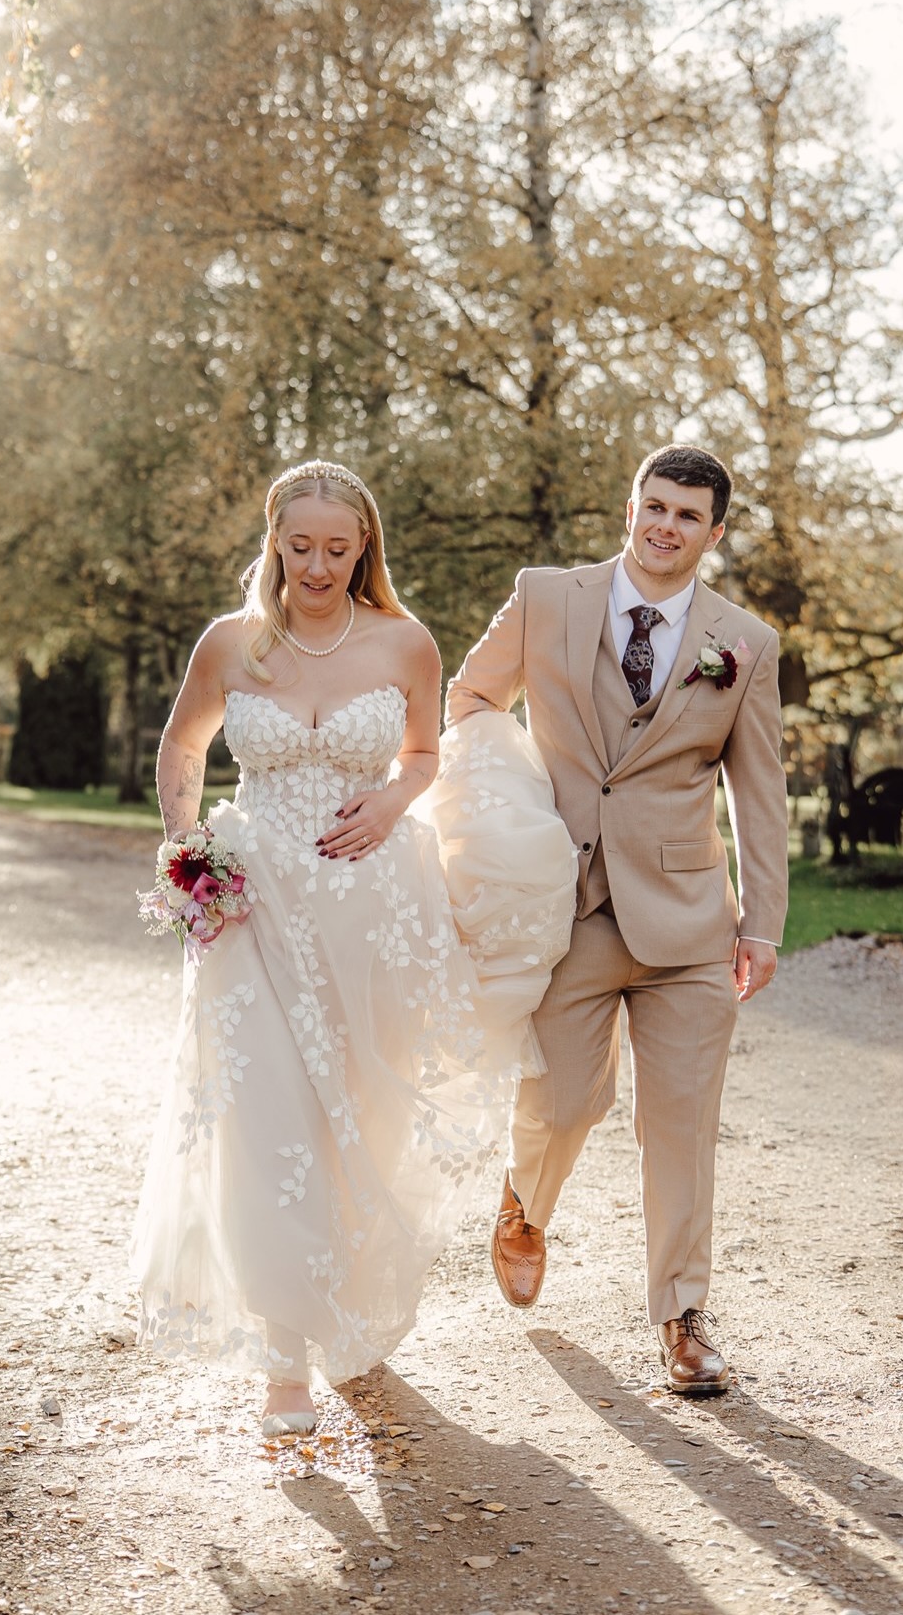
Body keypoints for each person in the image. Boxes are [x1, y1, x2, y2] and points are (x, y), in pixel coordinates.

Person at [130, 461, 575, 1436]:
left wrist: (393, 798)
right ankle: (282, 1352)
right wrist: (185, 841)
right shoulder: (231, 643)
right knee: (265, 1116)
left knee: (360, 1117)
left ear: (365, 546)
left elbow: (423, 751)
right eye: (301, 546)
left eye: (338, 548)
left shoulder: (406, 642)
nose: (318, 564)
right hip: (251, 907)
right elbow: (180, 745)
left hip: (373, 907)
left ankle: (347, 1303)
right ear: (274, 540)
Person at [446, 444, 788, 1396]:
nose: (664, 525)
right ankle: (523, 1203)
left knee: (679, 1124)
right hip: (568, 905)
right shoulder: (546, 597)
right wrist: (505, 815)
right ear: (629, 508)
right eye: (653, 506)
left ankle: (681, 1318)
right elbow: (471, 697)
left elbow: (760, 795)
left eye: (687, 515)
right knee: (560, 1103)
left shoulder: (744, 644)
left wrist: (760, 923)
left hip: (687, 919)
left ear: (712, 534)